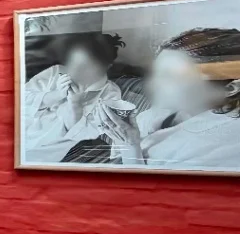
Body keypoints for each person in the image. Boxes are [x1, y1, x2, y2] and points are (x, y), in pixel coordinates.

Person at [94, 27, 240, 169]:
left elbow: (151, 186)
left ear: (230, 88)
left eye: (173, 76)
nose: (154, 84)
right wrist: (122, 137)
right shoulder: (164, 111)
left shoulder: (225, 148)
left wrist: (130, 146)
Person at [21, 33, 128, 161]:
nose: (75, 71)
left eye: (86, 66)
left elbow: (84, 132)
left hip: (47, 148)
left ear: (106, 67)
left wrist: (75, 105)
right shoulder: (55, 72)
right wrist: (56, 95)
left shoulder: (110, 94)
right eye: (73, 63)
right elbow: (21, 99)